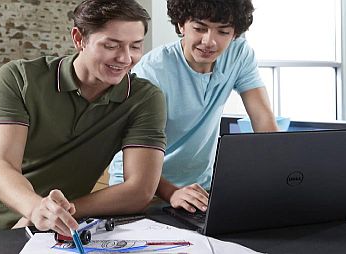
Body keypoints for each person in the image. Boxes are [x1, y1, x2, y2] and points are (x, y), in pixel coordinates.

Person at [0, 0, 167, 237]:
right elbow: (1, 166)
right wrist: (35, 209)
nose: (125, 58)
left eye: (135, 46)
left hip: (53, 222)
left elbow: (140, 190)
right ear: (79, 39)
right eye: (111, 45)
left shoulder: (144, 99)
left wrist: (59, 212)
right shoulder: (19, 78)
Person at [109, 0, 278, 213]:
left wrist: (280, 178)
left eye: (223, 32)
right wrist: (171, 193)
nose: (209, 42)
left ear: (235, 33)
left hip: (197, 189)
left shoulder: (239, 55)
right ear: (181, 25)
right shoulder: (152, 71)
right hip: (141, 189)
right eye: (199, 28)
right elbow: (132, 152)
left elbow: (263, 120)